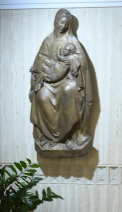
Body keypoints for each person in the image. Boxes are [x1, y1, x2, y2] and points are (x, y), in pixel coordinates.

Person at [29, 9, 93, 147]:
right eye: (61, 22)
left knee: (69, 90)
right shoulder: (48, 40)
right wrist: (41, 72)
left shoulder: (72, 41)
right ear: (56, 21)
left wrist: (70, 59)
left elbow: (82, 62)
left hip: (67, 80)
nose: (63, 26)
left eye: (66, 24)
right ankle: (49, 136)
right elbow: (39, 60)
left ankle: (67, 135)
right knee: (41, 95)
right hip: (49, 80)